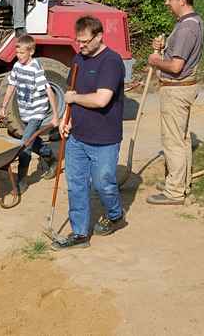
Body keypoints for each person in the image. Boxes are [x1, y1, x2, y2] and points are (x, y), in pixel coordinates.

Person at [53, 16, 126, 251]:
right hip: (77, 137)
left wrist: (74, 98)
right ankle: (80, 233)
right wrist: (68, 120)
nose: (80, 45)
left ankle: (115, 215)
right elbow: (70, 92)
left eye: (84, 41)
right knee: (76, 185)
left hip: (105, 138)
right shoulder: (78, 59)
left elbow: (102, 99)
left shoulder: (111, 62)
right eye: (78, 41)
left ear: (99, 36)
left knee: (103, 183)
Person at [146, 0, 204, 205]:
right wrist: (163, 49)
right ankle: (179, 182)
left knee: (173, 141)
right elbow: (176, 56)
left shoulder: (187, 27)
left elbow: (176, 66)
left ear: (182, 0)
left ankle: (174, 191)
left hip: (177, 90)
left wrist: (156, 60)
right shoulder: (190, 22)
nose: (166, 2)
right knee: (181, 139)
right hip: (182, 89)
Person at [0, 35, 59, 193]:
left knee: (25, 144)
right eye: (17, 53)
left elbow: (48, 90)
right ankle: (51, 158)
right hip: (25, 112)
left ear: (31, 52)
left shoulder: (35, 68)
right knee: (33, 142)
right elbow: (11, 86)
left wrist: (55, 116)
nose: (19, 56)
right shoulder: (17, 66)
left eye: (22, 53)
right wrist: (4, 105)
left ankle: (21, 182)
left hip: (36, 113)